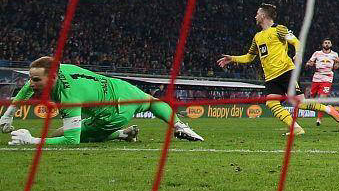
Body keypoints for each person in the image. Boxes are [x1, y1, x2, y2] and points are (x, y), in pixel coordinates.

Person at [5, 57, 203, 146]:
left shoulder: (68, 98)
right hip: (122, 88)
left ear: (54, 77)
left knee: (61, 134)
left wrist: (32, 140)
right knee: (153, 101)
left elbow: (71, 141)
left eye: (36, 80)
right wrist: (9, 114)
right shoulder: (57, 68)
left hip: (114, 113)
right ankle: (181, 126)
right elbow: (28, 87)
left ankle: (121, 134)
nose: (31, 83)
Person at [218, 3, 339, 136]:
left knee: (300, 103)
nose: (255, 16)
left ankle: (328, 109)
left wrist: (298, 54)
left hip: (286, 72)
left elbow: (296, 42)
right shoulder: (257, 37)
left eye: (257, 14)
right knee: (271, 103)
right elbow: (249, 57)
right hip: (271, 77)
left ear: (263, 15)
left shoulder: (279, 29)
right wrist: (232, 58)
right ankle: (296, 128)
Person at [304, 39, 339, 127]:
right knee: (311, 100)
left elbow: (336, 66)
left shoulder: (334, 54)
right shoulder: (317, 53)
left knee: (322, 99)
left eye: (328, 43)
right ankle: (328, 108)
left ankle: (319, 119)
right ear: (322, 44)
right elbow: (309, 62)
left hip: (327, 79)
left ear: (331, 44)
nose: (327, 44)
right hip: (316, 78)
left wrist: (336, 64)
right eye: (325, 43)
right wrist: (309, 64)